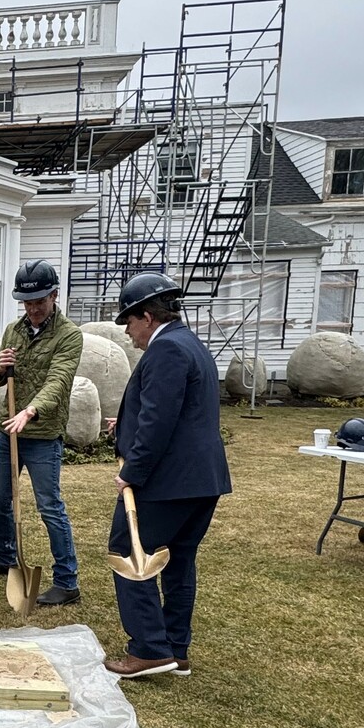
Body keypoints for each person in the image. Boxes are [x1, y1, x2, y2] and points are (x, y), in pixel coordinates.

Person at [104, 272, 232, 678]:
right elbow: (179, 411)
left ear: (147, 316)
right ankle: (176, 647)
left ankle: (149, 649)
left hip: (168, 482)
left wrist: (133, 471)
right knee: (178, 561)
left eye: (129, 322)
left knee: (130, 551)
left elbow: (159, 421)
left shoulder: (167, 351)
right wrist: (123, 426)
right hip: (200, 479)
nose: (128, 332)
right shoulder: (191, 344)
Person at [0, 259, 84, 606]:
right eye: (27, 302)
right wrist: (1, 369)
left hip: (43, 434)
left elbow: (58, 381)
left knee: (49, 507)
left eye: (39, 301)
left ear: (54, 295)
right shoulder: (13, 330)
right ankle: (6, 558)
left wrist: (30, 411)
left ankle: (67, 581)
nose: (33, 308)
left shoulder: (69, 336)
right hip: (9, 432)